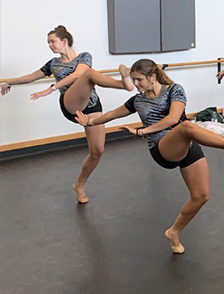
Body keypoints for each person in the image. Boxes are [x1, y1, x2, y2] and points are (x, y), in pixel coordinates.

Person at [74, 59, 224, 254]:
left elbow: (173, 118)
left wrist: (142, 131)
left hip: (187, 144)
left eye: (139, 80)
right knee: (187, 126)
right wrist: (90, 122)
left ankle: (173, 232)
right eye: (133, 80)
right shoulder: (137, 101)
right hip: (162, 148)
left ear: (153, 77)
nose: (136, 85)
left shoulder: (175, 90)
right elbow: (113, 114)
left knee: (201, 196)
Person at [0, 25, 135, 204]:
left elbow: (79, 72)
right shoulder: (53, 64)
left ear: (64, 41)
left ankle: (79, 185)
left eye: (52, 41)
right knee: (90, 74)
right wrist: (10, 82)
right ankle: (124, 85)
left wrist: (51, 87)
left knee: (97, 151)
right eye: (48, 42)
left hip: (92, 105)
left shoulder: (84, 57)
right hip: (70, 103)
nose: (50, 45)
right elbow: (31, 77)